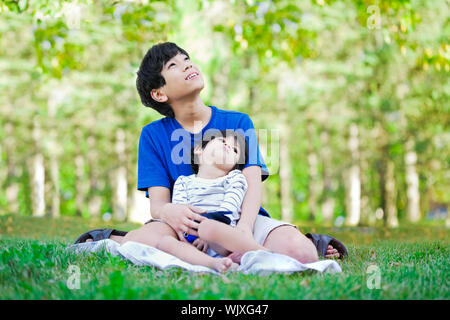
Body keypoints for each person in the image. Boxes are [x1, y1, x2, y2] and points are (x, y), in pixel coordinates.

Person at [74, 42, 345, 261]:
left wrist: (243, 231)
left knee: (301, 254)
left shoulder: (238, 122)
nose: (187, 64)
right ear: (159, 93)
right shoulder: (152, 135)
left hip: (239, 218)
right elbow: (158, 204)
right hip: (183, 225)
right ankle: (115, 238)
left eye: (186, 59)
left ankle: (306, 243)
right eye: (173, 65)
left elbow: (252, 186)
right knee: (139, 243)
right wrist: (172, 214)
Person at [153, 129, 274, 272]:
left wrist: (203, 233)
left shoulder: (234, 178)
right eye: (222, 141)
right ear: (199, 150)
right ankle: (214, 263)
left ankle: (262, 252)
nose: (228, 146)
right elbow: (180, 210)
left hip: (223, 236)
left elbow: (229, 210)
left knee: (208, 228)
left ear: (234, 165)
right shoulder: (183, 182)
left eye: (235, 150)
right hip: (191, 238)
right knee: (165, 243)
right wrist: (190, 234)